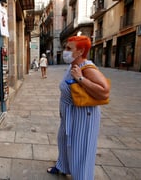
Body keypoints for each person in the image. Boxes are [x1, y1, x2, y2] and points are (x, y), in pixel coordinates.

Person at [47, 35, 110, 180]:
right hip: (70, 115)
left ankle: (82, 177)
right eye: (65, 48)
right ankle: (63, 166)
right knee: (63, 140)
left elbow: (105, 91)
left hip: (83, 116)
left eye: (69, 48)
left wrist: (80, 79)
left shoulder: (87, 67)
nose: (65, 51)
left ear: (80, 51)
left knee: (81, 149)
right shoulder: (73, 66)